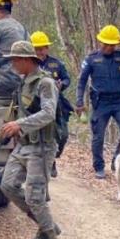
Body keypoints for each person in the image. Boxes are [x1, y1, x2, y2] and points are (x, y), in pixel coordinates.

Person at [0, 40, 60, 239]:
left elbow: (49, 113)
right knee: (7, 186)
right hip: (24, 145)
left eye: (15, 60)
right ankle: (47, 224)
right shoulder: (24, 81)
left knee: (35, 197)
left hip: (41, 146)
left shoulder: (45, 83)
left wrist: (20, 124)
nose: (12, 64)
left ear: (26, 60)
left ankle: (50, 236)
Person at [75, 24, 120, 179]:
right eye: (106, 44)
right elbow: (81, 82)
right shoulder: (92, 59)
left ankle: (116, 160)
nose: (109, 47)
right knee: (98, 135)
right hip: (101, 103)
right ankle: (99, 167)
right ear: (101, 43)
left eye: (112, 44)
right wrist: (79, 101)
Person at [31, 31, 73, 177]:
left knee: (63, 135)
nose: (40, 51)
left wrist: (62, 85)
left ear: (47, 48)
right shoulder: (29, 65)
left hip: (57, 105)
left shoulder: (56, 63)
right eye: (37, 49)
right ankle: (46, 163)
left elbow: (67, 79)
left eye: (43, 48)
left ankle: (53, 158)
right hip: (35, 106)